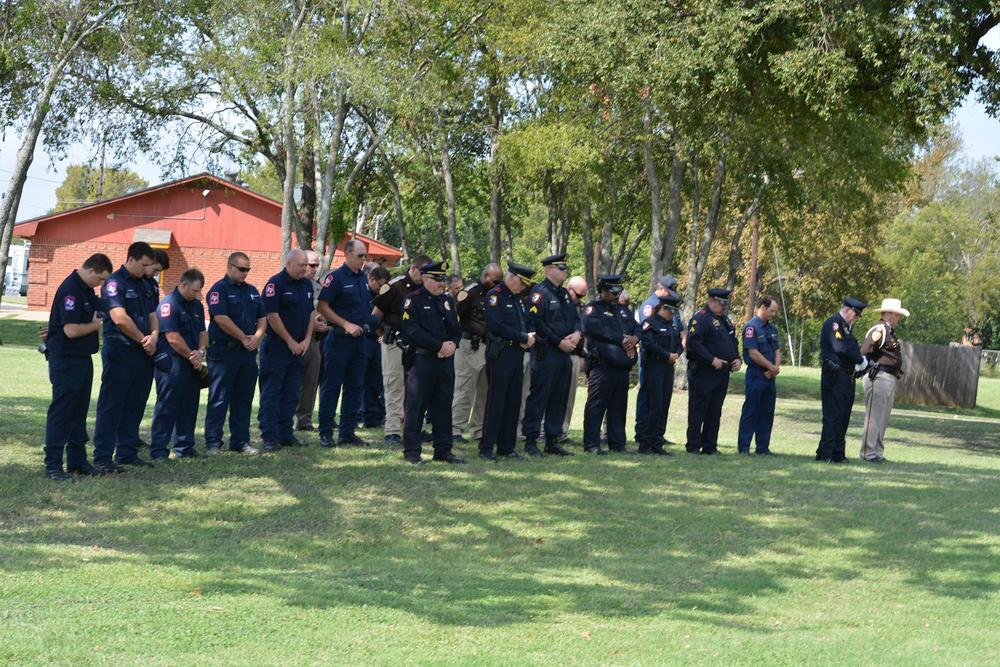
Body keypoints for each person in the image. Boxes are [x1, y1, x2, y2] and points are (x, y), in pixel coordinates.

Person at [42, 253, 113, 480]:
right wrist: (95, 325)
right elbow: (71, 330)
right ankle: (53, 465)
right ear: (91, 270)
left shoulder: (85, 289)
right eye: (100, 279)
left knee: (79, 411)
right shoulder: (70, 290)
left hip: (81, 358)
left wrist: (103, 312)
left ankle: (77, 461)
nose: (100, 284)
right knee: (62, 412)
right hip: (66, 359)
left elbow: (100, 306)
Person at [92, 241, 159, 473]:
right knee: (112, 404)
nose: (146, 269)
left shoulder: (146, 284)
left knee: (135, 403)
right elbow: (119, 318)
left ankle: (127, 452)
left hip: (143, 352)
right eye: (143, 264)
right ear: (131, 259)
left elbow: (153, 314)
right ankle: (102, 456)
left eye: (149, 265)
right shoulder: (114, 283)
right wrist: (144, 339)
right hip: (121, 350)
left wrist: (155, 336)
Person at [400, 261, 465, 464]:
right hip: (422, 360)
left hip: (445, 361)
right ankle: (412, 452)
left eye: (443, 280)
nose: (441, 284)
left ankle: (443, 450)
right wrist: (439, 345)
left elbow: (456, 329)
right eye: (437, 279)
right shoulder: (414, 300)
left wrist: (453, 344)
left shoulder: (446, 301)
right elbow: (411, 331)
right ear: (425, 279)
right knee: (416, 406)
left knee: (444, 406)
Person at [203, 252, 266, 456]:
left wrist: (257, 336)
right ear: (230, 267)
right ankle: (213, 442)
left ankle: (240, 441)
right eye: (242, 269)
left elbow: (262, 318)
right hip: (224, 353)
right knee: (220, 398)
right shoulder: (219, 290)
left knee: (243, 398)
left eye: (248, 269)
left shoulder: (253, 291)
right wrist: (243, 337)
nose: (245, 273)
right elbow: (220, 318)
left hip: (247, 354)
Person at [520, 253, 580, 457]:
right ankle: (530, 439)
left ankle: (552, 439)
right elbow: (536, 323)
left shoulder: (563, 294)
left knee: (559, 396)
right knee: (540, 396)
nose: (565, 272)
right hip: (547, 352)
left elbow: (575, 317)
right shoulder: (539, 292)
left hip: (564, 353)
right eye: (561, 268)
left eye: (565, 268)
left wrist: (577, 334)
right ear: (549, 270)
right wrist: (559, 341)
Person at [317, 239, 374, 447]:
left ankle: (347, 433)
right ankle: (325, 432)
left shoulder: (363, 279)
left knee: (355, 387)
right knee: (332, 386)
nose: (363, 260)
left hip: (360, 341)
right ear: (348, 254)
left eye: (365, 256)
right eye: (360, 256)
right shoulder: (336, 278)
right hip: (340, 338)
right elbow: (323, 306)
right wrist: (345, 324)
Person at [258, 249, 316, 453]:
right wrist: (290, 341)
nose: (305, 269)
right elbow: (272, 316)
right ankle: (269, 436)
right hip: (277, 347)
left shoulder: (307, 285)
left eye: (306, 265)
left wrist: (307, 340)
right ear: (289, 263)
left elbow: (311, 314)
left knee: (291, 393)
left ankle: (285, 434)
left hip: (299, 348)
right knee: (272, 393)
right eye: (301, 265)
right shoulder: (276, 284)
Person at [372, 254, 431, 444]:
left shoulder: (426, 290)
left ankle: (413, 428)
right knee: (393, 386)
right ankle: (392, 431)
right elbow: (374, 316)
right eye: (422, 274)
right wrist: (382, 334)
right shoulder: (394, 286)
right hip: (394, 343)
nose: (424, 279)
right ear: (413, 268)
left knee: (415, 390)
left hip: (417, 345)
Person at [480, 263, 536, 461]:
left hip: (517, 354)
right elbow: (497, 326)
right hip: (501, 353)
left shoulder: (518, 299)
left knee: (513, 401)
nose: (523, 288)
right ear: (513, 278)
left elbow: (527, 321)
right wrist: (522, 337)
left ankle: (507, 446)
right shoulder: (495, 296)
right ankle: (486, 447)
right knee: (496, 401)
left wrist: (528, 338)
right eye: (522, 283)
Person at [150, 269, 208, 460]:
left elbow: (202, 332)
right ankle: (159, 449)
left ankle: (185, 447)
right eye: (194, 290)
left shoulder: (197, 305)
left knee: (189, 405)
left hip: (192, 361)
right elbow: (172, 337)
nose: (197, 294)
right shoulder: (169, 305)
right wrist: (193, 356)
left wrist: (200, 351)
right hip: (172, 362)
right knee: (167, 406)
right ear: (183, 285)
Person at [581, 275, 639, 455]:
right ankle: (592, 444)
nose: (616, 295)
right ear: (603, 290)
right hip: (602, 366)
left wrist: (635, 338)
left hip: (621, 367)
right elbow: (596, 329)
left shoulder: (622, 310)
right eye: (613, 291)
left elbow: (637, 327)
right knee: (596, 405)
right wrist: (622, 339)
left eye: (618, 291)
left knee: (619, 407)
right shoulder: (592, 309)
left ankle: (618, 443)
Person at [685, 287, 741, 455]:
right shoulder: (701, 319)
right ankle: (693, 445)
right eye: (720, 303)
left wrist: (737, 358)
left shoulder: (725, 320)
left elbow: (733, 342)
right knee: (698, 409)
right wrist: (711, 359)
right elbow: (693, 344)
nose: (723, 306)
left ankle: (710, 445)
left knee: (715, 410)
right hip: (703, 372)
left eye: (725, 303)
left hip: (722, 372)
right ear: (711, 301)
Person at [452, 262, 502, 444]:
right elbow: (453, 314)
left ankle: (478, 429)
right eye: (495, 281)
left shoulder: (496, 294)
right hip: (469, 346)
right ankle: (456, 428)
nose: (498, 284)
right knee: (464, 388)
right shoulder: (470, 291)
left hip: (487, 346)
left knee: (484, 391)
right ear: (486, 276)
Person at [634, 275, 684, 445]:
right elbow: (648, 338)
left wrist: (677, 353)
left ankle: (657, 436)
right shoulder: (650, 307)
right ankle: (643, 434)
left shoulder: (670, 310)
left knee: (663, 401)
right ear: (662, 289)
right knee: (649, 400)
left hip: (668, 363)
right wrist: (666, 355)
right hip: (653, 362)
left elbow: (679, 334)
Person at [816, 297, 867, 463]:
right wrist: (860, 359)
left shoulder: (846, 328)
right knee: (833, 416)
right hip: (835, 376)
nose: (857, 318)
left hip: (846, 377)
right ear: (847, 310)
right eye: (856, 314)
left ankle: (838, 453)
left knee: (843, 416)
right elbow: (841, 348)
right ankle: (826, 453)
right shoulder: (834, 324)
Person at [859, 298, 909, 463]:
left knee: (882, 417)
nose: (898, 318)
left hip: (888, 377)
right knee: (874, 416)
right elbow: (864, 352)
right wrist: (868, 369)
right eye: (897, 315)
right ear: (888, 314)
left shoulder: (889, 332)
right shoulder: (879, 330)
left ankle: (876, 452)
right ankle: (868, 452)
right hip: (878, 377)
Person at [737, 295, 782, 455]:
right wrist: (770, 367)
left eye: (775, 311)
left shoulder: (772, 329)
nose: (773, 314)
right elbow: (753, 353)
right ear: (762, 307)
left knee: (767, 411)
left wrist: (775, 368)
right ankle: (744, 447)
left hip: (770, 377)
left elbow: (777, 350)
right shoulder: (751, 327)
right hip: (756, 375)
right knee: (751, 411)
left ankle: (762, 447)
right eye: (772, 311)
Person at [294, 250, 329, 434]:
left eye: (317, 265)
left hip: (315, 342)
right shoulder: (291, 284)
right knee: (290, 382)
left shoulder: (318, 287)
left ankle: (304, 420)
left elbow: (325, 310)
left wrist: (324, 324)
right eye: (312, 265)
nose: (315, 269)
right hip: (294, 340)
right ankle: (283, 417)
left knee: (311, 382)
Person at [559, 276, 588, 442]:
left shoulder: (581, 308)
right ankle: (542, 430)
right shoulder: (560, 304)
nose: (581, 299)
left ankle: (562, 431)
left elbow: (583, 331)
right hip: (558, 353)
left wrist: (582, 354)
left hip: (575, 356)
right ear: (570, 290)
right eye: (579, 295)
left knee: (569, 396)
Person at [360, 265, 389, 428]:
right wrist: (379, 333)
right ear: (372, 280)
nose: (382, 287)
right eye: (380, 283)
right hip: (366, 339)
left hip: (378, 343)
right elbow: (370, 318)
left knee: (375, 381)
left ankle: (372, 417)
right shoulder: (365, 294)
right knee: (361, 380)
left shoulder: (384, 295)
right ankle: (361, 414)